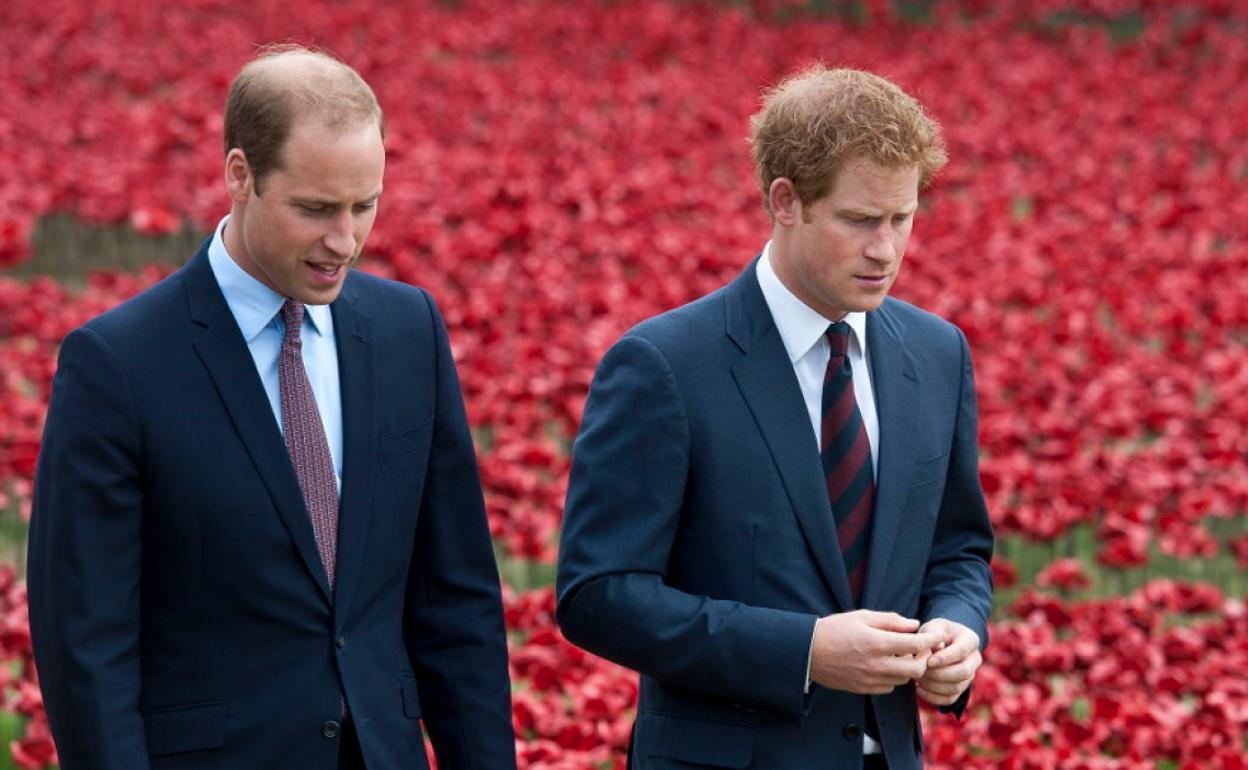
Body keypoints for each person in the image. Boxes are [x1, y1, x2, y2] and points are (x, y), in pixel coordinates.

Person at [27, 46, 516, 770]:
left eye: (365, 205)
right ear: (240, 175)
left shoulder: (408, 330)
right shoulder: (118, 365)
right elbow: (85, 643)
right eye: (315, 209)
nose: (345, 241)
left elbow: (456, 602)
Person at [556, 65, 994, 770]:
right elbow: (597, 595)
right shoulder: (665, 365)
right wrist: (805, 652)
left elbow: (958, 551)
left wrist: (958, 629)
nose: (885, 249)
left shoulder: (938, 354)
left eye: (902, 218)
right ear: (785, 201)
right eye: (860, 220)